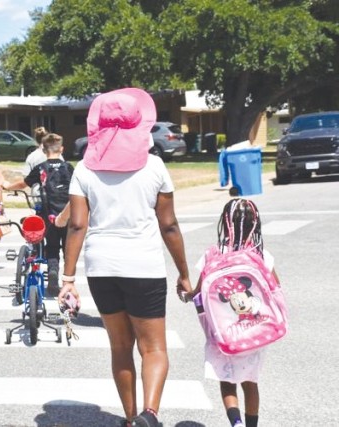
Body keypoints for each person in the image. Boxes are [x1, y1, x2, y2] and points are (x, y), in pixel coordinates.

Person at [57, 88, 192, 427]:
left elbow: (76, 225)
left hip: (101, 267)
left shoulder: (84, 169)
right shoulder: (155, 166)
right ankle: (150, 413)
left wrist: (68, 279)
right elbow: (169, 225)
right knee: (154, 348)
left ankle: (131, 419)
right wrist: (184, 273)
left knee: (120, 347)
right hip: (144, 266)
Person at [185, 198, 278, 427]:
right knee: (250, 382)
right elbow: (276, 288)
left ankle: (236, 423)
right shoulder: (260, 254)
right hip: (254, 331)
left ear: (225, 223)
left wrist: (186, 294)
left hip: (222, 332)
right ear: (255, 224)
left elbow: (199, 290)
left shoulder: (213, 254)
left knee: (226, 380)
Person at [4, 133, 74, 297]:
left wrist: (7, 186)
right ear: (62, 149)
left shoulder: (41, 168)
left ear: (43, 150)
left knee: (52, 247)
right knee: (68, 249)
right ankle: (68, 281)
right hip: (68, 215)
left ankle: (52, 273)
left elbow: (24, 184)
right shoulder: (69, 168)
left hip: (48, 215)